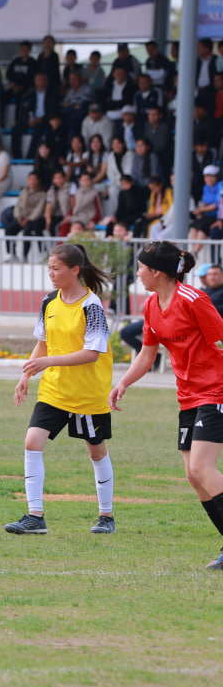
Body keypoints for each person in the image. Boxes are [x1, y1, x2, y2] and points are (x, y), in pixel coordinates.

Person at [111, 242, 223, 566]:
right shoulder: (151, 305)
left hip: (215, 392)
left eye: (141, 268)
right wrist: (123, 383)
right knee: (193, 476)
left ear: (156, 271)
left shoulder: (193, 300)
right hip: (187, 396)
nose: (138, 273)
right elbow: (147, 354)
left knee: (202, 468)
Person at [7, 243, 116, 535]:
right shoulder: (49, 301)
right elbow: (42, 343)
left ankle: (106, 516)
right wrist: (26, 375)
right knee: (32, 442)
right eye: (49, 268)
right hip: (54, 390)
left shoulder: (91, 306)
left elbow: (91, 354)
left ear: (75, 270)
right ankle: (35, 517)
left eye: (57, 268)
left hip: (87, 392)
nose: (51, 274)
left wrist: (48, 362)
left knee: (97, 452)